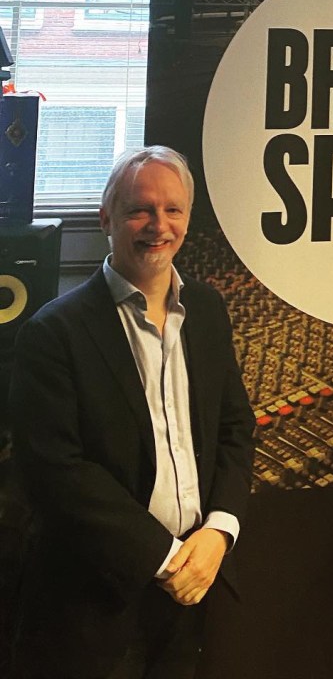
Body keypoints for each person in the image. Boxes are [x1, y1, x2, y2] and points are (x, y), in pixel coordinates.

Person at [8, 146, 255, 679]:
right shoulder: (52, 333)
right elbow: (55, 470)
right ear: (106, 219)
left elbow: (236, 429)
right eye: (140, 210)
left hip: (197, 589)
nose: (158, 226)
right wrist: (165, 559)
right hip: (93, 604)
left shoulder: (208, 311)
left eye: (173, 210)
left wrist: (219, 532)